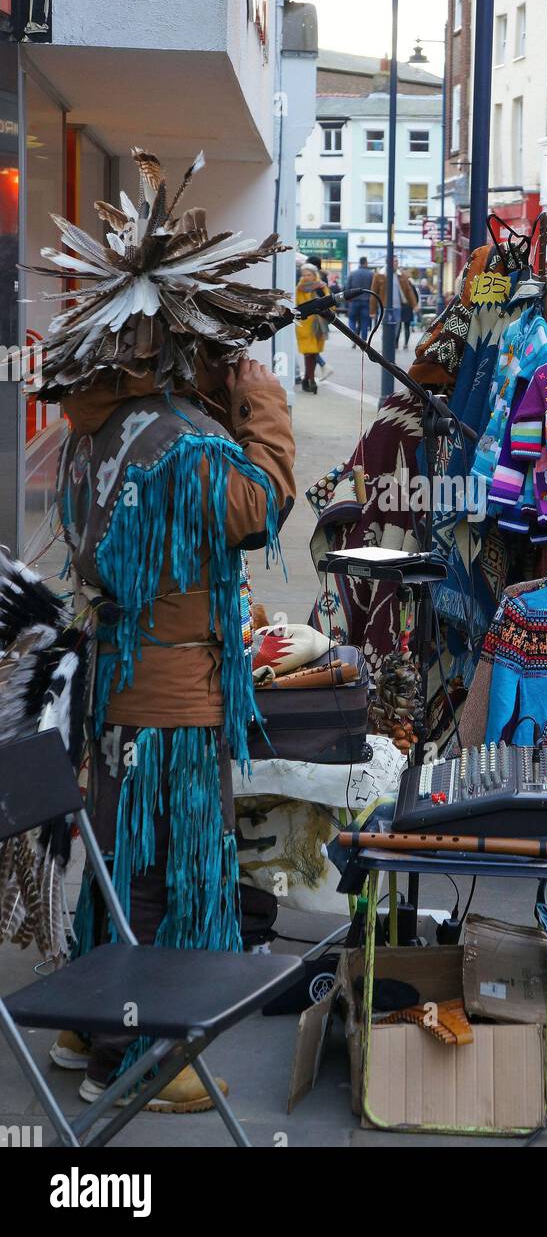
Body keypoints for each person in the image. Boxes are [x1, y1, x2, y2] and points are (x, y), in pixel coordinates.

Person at [35, 147, 295, 1111]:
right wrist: (261, 404)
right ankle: (149, 1056)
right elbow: (263, 503)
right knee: (175, 866)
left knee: (116, 851)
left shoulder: (94, 429)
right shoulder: (184, 443)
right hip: (175, 697)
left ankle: (85, 1026)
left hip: (116, 684)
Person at [371, 255, 417, 350]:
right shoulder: (379, 275)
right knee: (386, 328)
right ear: (388, 262)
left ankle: (391, 344)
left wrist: (414, 305)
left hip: (398, 307)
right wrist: (372, 311)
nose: (396, 263)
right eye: (394, 261)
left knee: (396, 328)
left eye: (397, 261)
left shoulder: (401, 275)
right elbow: (373, 294)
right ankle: (387, 346)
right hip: (384, 307)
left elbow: (409, 291)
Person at [295, 261, 328, 392]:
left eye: (309, 274)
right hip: (305, 324)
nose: (306, 277)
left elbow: (330, 302)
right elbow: (302, 304)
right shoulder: (300, 287)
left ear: (315, 275)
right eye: (304, 275)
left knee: (314, 354)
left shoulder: (321, 286)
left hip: (319, 325)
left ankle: (306, 380)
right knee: (309, 354)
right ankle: (312, 381)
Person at [345, 255, 374, 342]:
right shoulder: (371, 274)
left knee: (352, 319)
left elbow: (347, 287)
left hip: (354, 301)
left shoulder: (353, 274)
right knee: (364, 322)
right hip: (366, 301)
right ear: (366, 263)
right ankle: (363, 341)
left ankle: (353, 338)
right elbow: (373, 288)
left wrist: (348, 299)